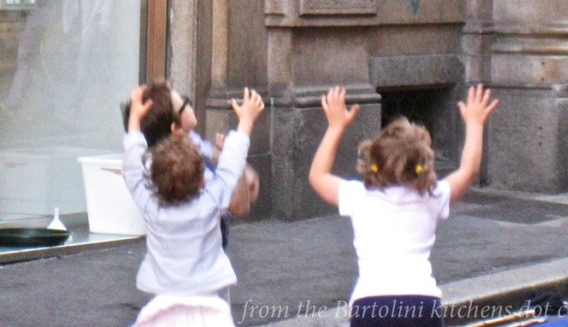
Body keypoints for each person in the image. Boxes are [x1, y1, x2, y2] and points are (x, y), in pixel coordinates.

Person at [309, 84, 499, 327]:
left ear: (374, 160)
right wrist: (474, 124)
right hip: (421, 301)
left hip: (371, 302)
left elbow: (318, 176)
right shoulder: (432, 196)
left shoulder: (359, 196)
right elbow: (468, 170)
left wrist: (336, 126)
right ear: (423, 163)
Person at [122, 84, 265, 326]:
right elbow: (230, 167)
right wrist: (246, 122)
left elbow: (133, 170)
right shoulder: (210, 202)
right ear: (202, 181)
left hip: (163, 304)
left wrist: (133, 122)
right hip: (209, 303)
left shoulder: (151, 206)